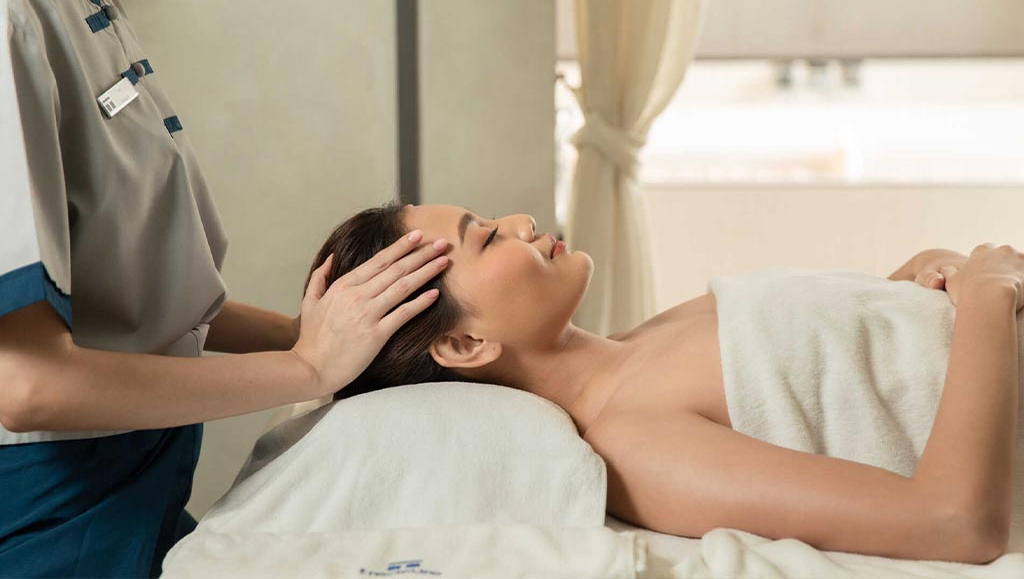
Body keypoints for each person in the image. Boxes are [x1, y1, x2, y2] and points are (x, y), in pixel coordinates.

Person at [0, 0, 448, 576]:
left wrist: (324, 335)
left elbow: (133, 298)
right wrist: (306, 365)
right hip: (49, 521)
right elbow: (24, 383)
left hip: (129, 496)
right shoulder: (9, 8)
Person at [309, 200, 1023, 565]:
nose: (521, 220)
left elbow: (854, 346)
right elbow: (954, 522)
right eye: (488, 237)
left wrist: (938, 267)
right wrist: (987, 299)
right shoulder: (640, 444)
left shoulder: (646, 339)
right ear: (465, 343)